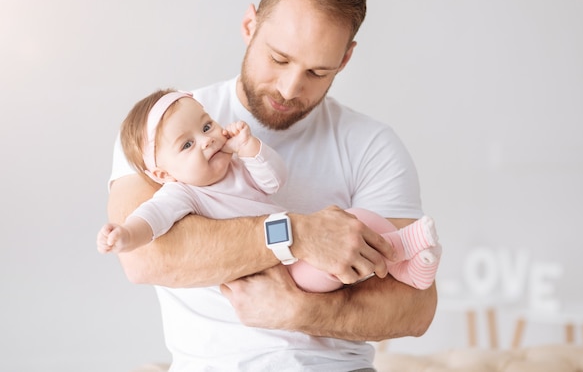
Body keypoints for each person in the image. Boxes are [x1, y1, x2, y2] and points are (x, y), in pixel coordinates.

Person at [107, 0, 439, 371]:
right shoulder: (163, 133)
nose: (290, 87)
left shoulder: (372, 145)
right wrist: (297, 232)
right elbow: (144, 259)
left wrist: (301, 311)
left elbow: (416, 307)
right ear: (250, 26)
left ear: (346, 59)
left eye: (318, 71)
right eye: (279, 59)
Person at [98, 89, 441, 292]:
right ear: (163, 173)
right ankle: (401, 254)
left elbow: (274, 180)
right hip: (287, 272)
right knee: (334, 261)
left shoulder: (235, 165)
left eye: (206, 126)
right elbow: (152, 218)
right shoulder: (183, 194)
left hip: (303, 251)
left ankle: (403, 262)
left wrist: (250, 149)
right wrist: (127, 235)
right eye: (187, 144)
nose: (207, 140)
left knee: (357, 220)